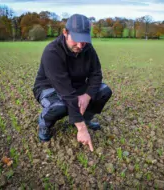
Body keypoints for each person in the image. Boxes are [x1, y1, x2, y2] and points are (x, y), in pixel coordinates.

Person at [32, 14, 112, 152]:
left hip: (75, 86)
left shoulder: (87, 49)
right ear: (65, 33)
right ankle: (44, 122)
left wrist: (87, 96)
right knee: (61, 105)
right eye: (76, 39)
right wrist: (81, 130)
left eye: (84, 40)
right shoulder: (52, 52)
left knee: (103, 91)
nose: (80, 45)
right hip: (49, 88)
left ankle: (85, 118)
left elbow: (96, 74)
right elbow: (66, 93)